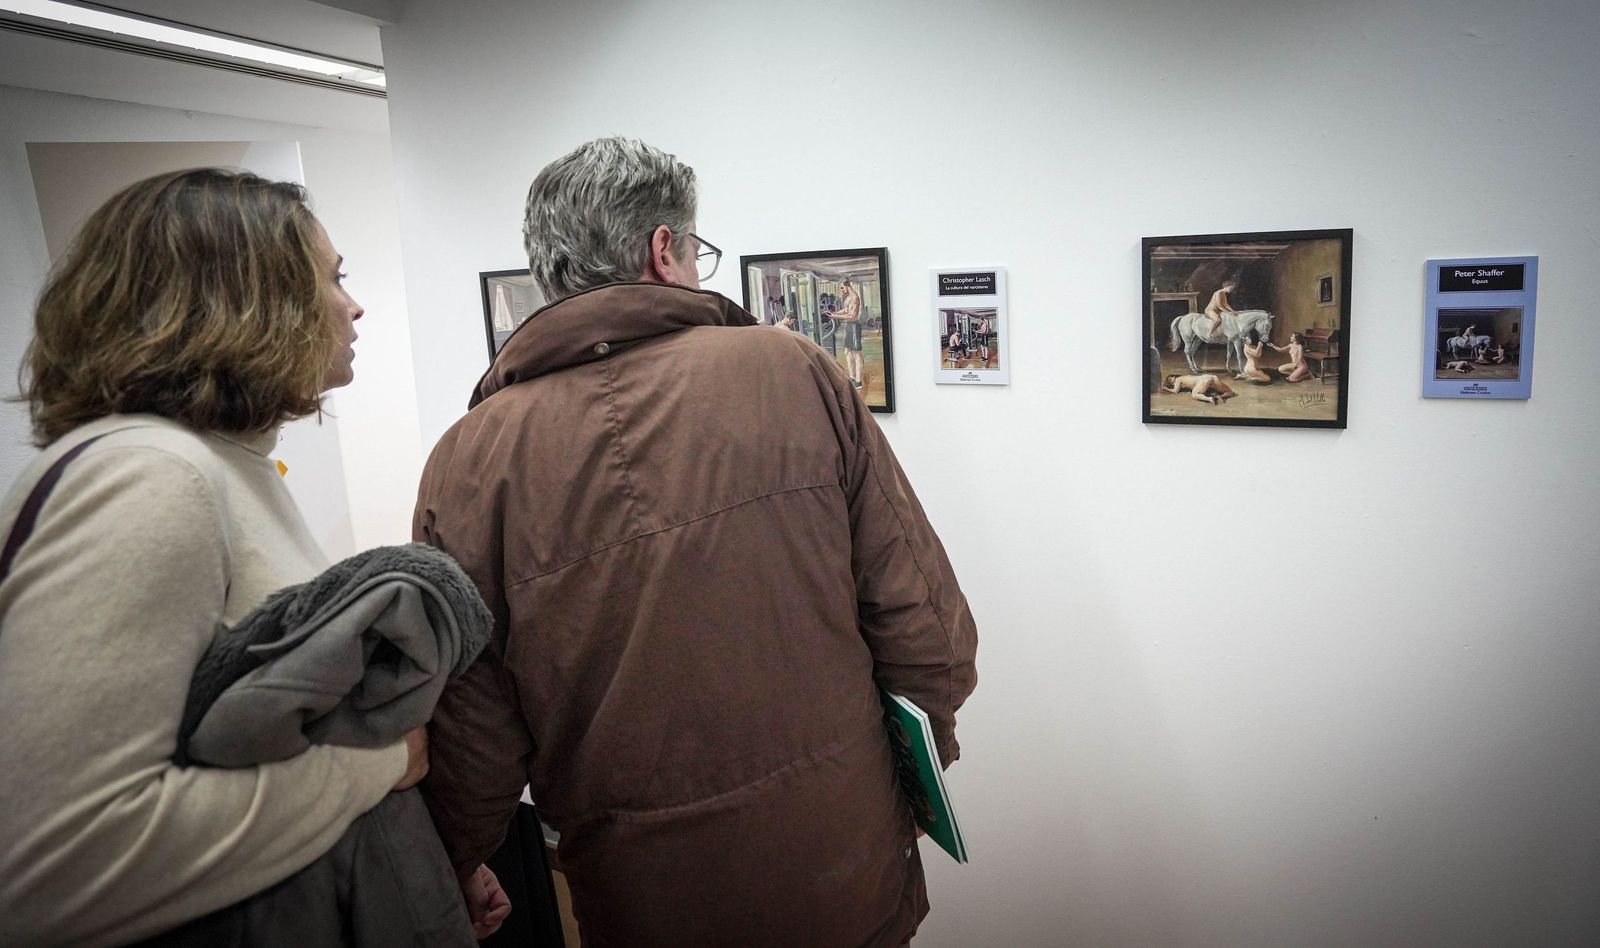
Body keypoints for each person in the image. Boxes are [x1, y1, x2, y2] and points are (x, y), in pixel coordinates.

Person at [415, 137, 978, 948]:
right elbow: (921, 618)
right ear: (663, 250)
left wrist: (462, 857)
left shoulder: (466, 460)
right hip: (837, 857)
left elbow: (473, 723)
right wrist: (922, 766)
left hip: (642, 892)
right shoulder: (793, 373)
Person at [0, 169, 462, 946]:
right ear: (245, 302)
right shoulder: (150, 474)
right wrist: (376, 765)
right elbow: (57, 863)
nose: (354, 305)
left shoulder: (214, 462)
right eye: (333, 278)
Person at [833, 276, 866, 388]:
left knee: (857, 353)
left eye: (842, 288)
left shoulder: (855, 298)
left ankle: (858, 381)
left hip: (854, 326)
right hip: (848, 327)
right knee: (847, 352)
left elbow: (852, 316)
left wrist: (835, 316)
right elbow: (846, 310)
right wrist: (834, 313)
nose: (841, 290)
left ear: (847, 285)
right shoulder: (848, 298)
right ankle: (852, 378)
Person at [1162, 372, 1238, 404]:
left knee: (1194, 394)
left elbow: (1175, 391)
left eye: (1170, 379)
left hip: (1203, 381)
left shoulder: (1178, 379)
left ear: (1174, 376)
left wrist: (1166, 388)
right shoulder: (1187, 376)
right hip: (1210, 377)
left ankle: (1210, 399)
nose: (1171, 382)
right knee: (1230, 392)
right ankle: (1220, 396)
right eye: (1169, 382)